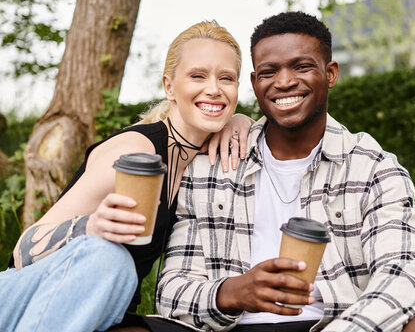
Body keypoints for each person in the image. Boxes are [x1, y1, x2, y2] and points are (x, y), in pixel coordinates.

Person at [156, 12, 415, 331]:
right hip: (232, 326)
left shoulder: (373, 168)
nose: (285, 81)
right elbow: (170, 294)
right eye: (269, 71)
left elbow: (404, 279)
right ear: (254, 83)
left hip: (338, 324)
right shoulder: (211, 166)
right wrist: (233, 292)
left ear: (330, 73)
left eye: (301, 66)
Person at [0, 20, 254, 332]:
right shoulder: (135, 151)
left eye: (226, 78)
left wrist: (243, 120)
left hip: (100, 310)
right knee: (109, 258)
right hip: (26, 299)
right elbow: (22, 250)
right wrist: (88, 226)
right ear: (169, 86)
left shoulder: (204, 160)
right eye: (197, 76)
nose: (214, 88)